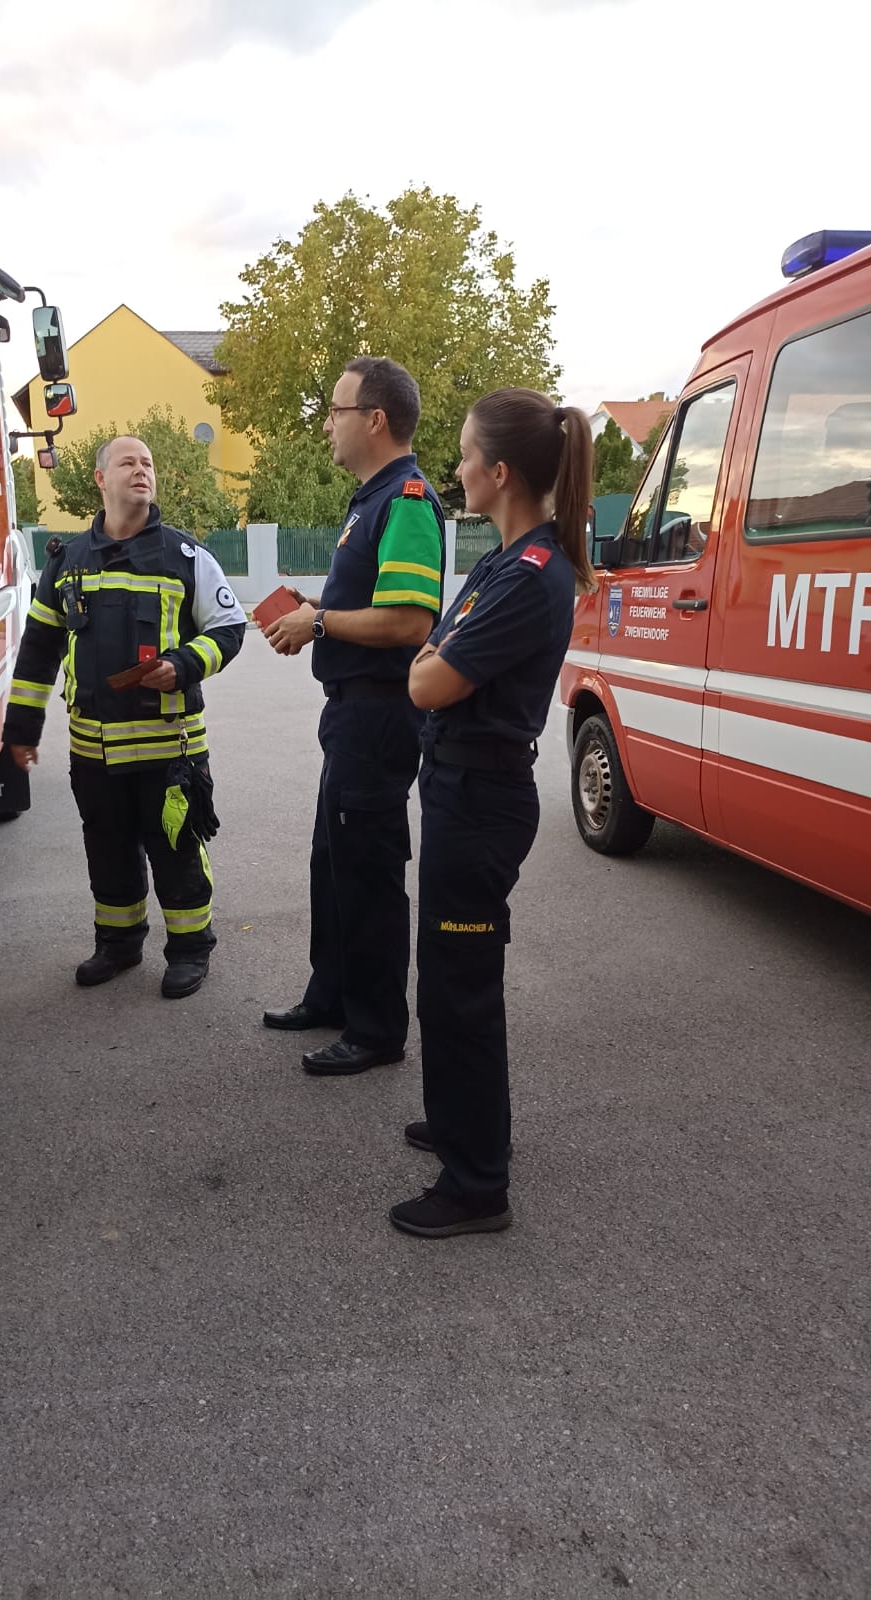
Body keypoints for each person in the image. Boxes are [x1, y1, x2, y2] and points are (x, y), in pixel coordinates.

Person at [388, 389, 594, 1237]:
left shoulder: (529, 576)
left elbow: (426, 678)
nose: (457, 468)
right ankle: (458, 1120)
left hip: (480, 800)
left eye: (466, 455)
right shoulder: (504, 562)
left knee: (460, 988)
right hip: (459, 787)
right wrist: (435, 657)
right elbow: (434, 655)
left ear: (499, 472)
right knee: (444, 978)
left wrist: (434, 659)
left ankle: (477, 1185)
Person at [3, 435, 246, 999]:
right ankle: (118, 944)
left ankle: (190, 950)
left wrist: (184, 664)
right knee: (107, 851)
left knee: (177, 851)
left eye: (148, 463)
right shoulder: (66, 562)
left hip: (169, 750)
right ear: (100, 479)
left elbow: (229, 629)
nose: (142, 470)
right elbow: (37, 651)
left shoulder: (187, 557)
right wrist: (22, 729)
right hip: (94, 752)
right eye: (128, 462)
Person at [261, 357, 446, 1074]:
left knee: (367, 870)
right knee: (333, 861)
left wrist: (319, 622)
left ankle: (375, 1030)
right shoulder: (372, 501)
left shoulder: (405, 500)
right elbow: (370, 603)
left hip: (377, 715)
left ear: (374, 419)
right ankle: (332, 994)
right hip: (351, 715)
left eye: (335, 412)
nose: (326, 427)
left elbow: (409, 620)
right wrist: (316, 609)